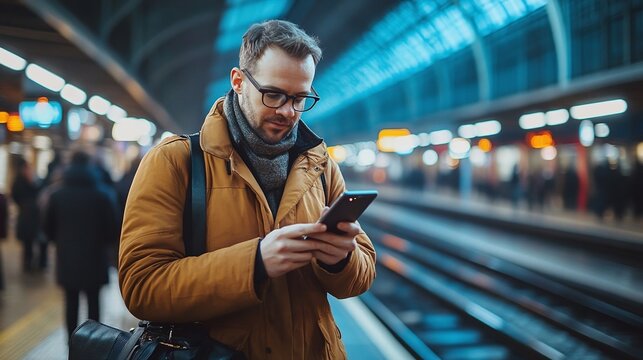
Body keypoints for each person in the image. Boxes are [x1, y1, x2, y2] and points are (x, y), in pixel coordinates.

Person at [119, 20, 376, 359]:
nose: (287, 111)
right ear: (238, 81)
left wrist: (340, 258)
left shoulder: (320, 165)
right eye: (274, 95)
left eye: (301, 98)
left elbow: (362, 275)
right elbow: (142, 287)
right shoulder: (176, 162)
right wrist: (254, 263)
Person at [43, 151, 119, 340]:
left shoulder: (57, 195)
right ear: (90, 165)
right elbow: (113, 229)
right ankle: (94, 343)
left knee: (71, 302)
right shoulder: (102, 195)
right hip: (95, 257)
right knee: (94, 302)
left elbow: (47, 228)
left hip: (67, 257)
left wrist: (61, 241)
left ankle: (72, 343)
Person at [10, 157, 46, 272]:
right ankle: (29, 264)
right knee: (29, 243)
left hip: (33, 217)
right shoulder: (21, 181)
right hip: (28, 217)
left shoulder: (32, 180)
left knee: (36, 242)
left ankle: (37, 264)